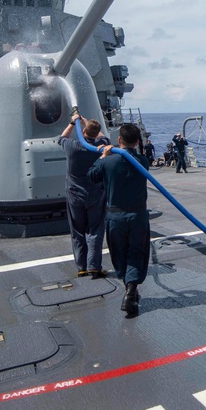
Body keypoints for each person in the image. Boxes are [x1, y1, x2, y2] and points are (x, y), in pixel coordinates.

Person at [88, 123, 152, 315]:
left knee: (119, 253)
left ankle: (129, 287)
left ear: (119, 140)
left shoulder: (108, 162)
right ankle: (131, 288)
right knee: (137, 252)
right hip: (138, 215)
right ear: (138, 141)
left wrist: (103, 156)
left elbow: (91, 176)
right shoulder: (143, 162)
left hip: (115, 216)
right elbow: (137, 157)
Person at [58, 114, 109, 278]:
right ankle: (94, 266)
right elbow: (103, 138)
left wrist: (73, 122)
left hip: (75, 194)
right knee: (95, 229)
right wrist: (88, 123)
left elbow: (62, 138)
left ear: (83, 131)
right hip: (95, 193)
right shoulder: (100, 147)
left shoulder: (73, 146)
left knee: (77, 231)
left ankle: (81, 267)